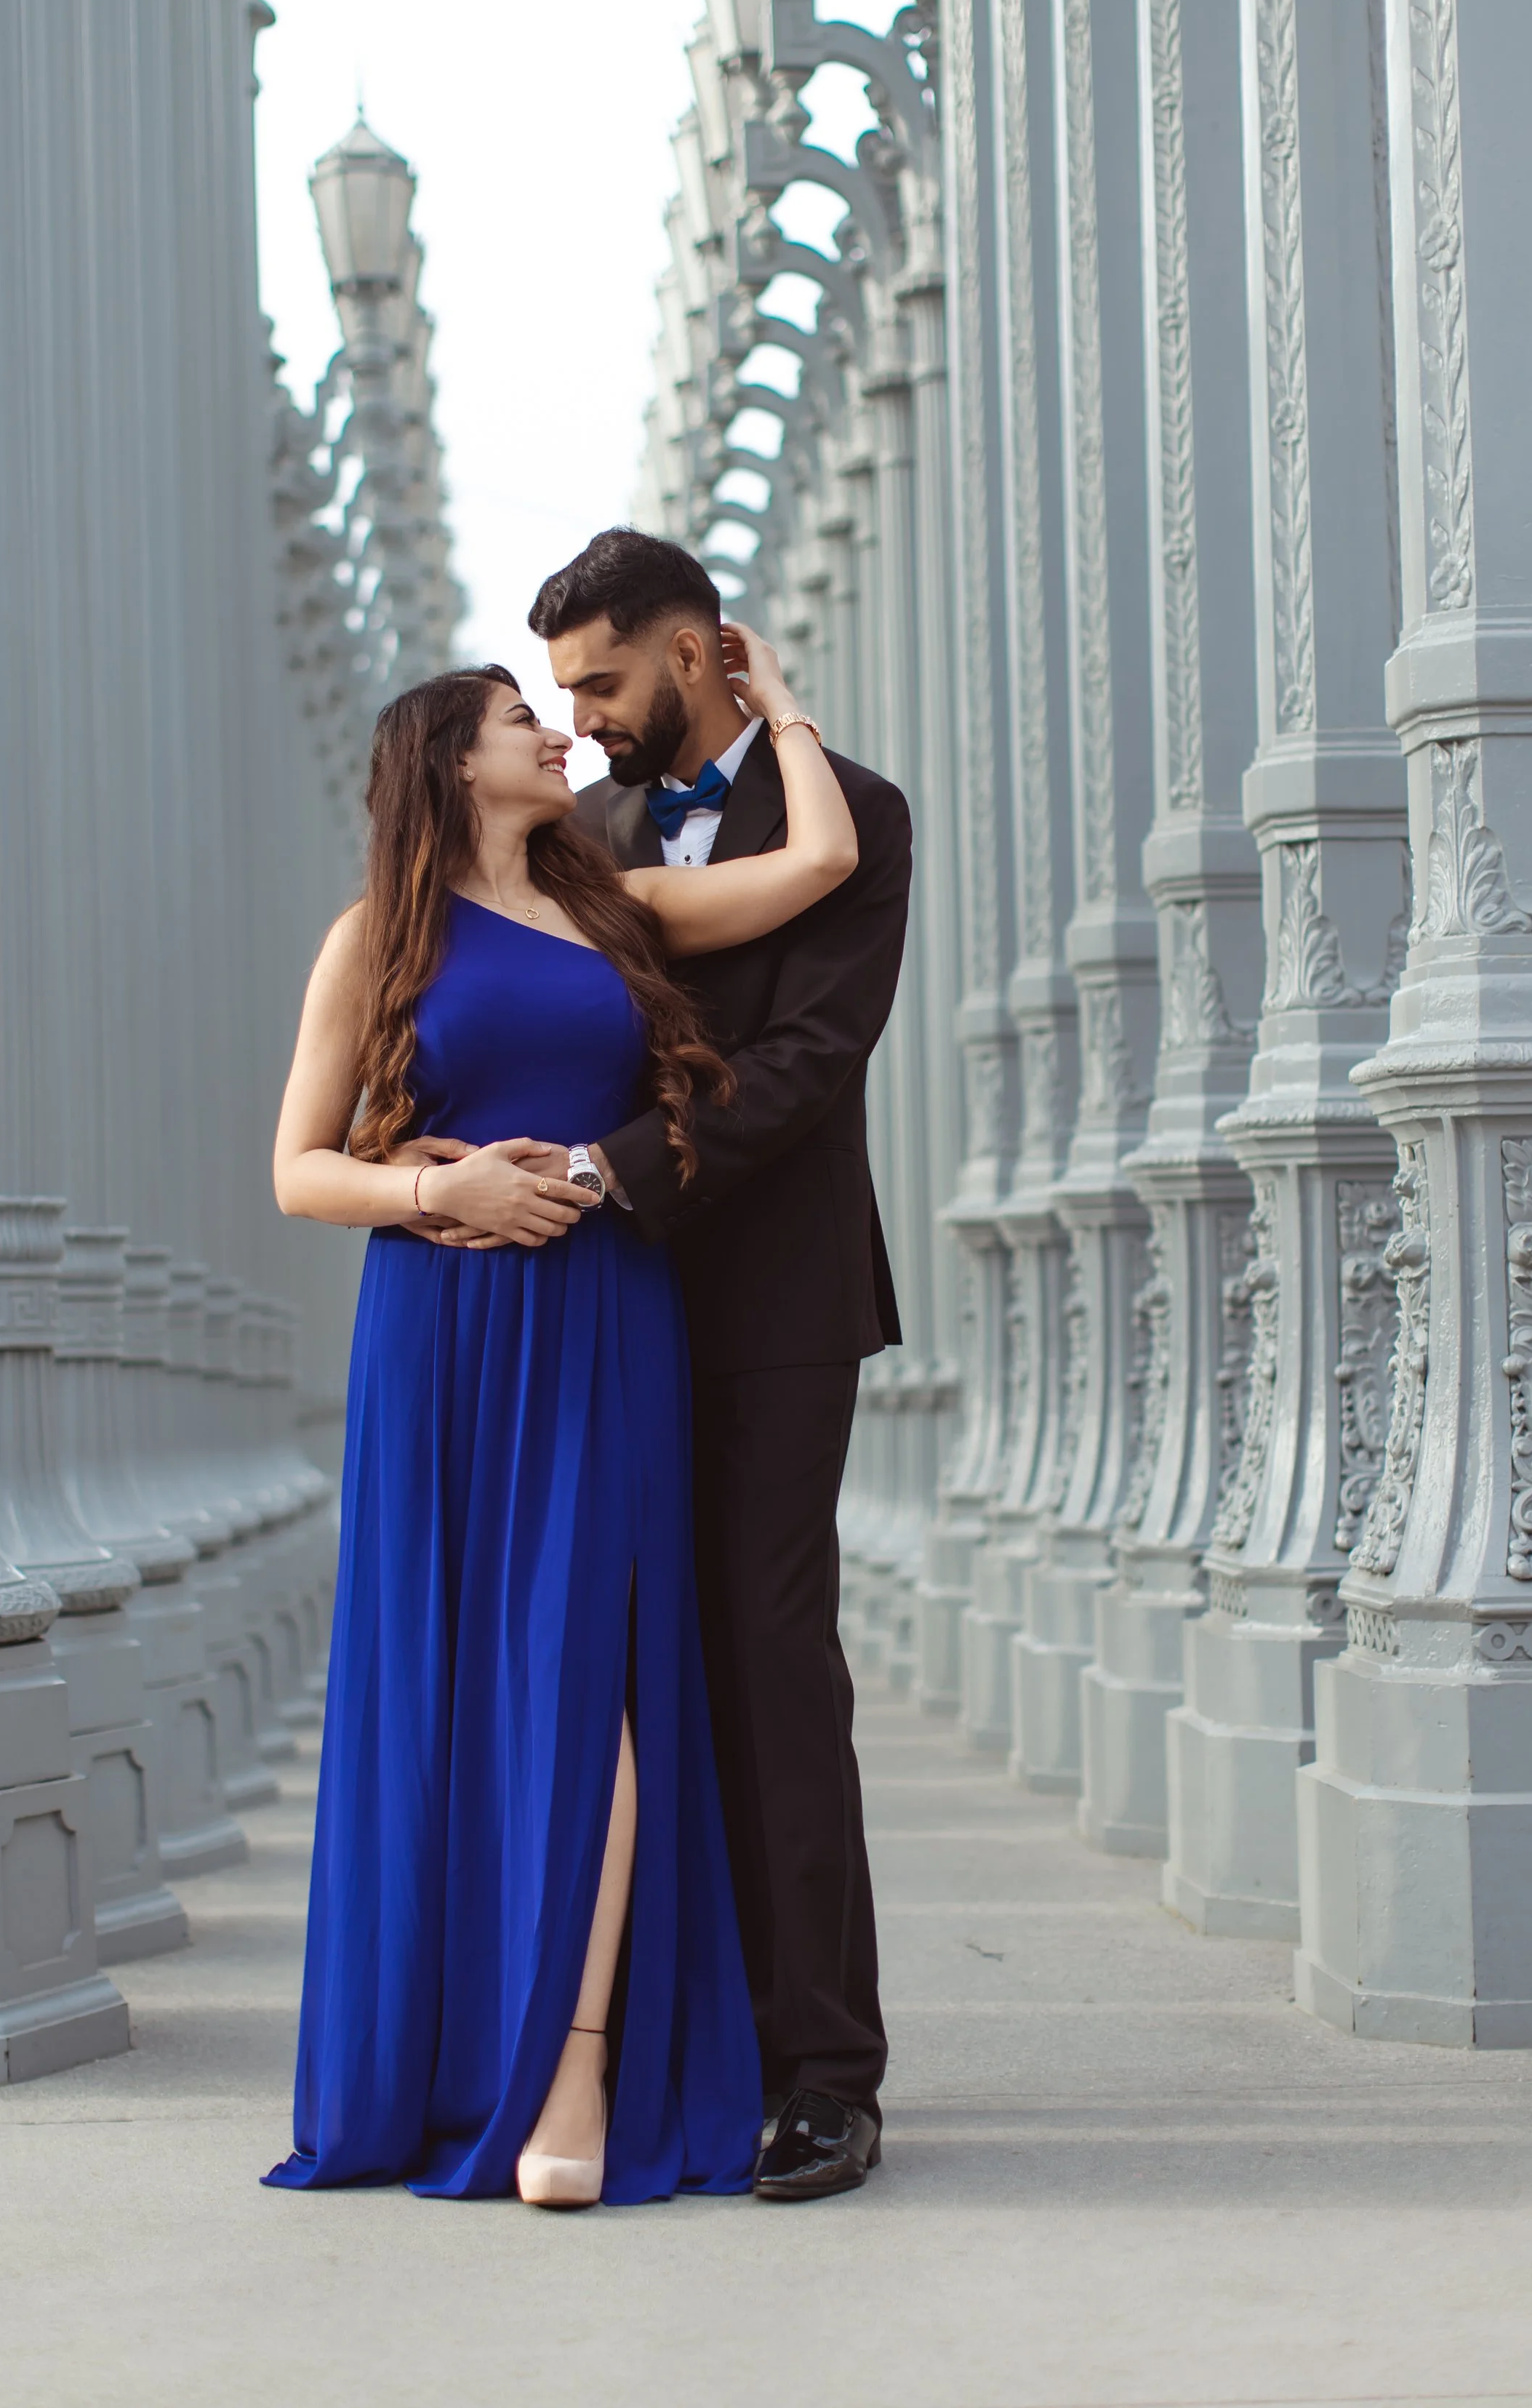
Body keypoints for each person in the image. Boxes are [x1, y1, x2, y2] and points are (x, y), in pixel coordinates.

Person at [262, 619, 857, 2208]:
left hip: (601, 1320)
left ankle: (576, 2061)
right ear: (445, 763)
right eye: (520, 716)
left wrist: (775, 703)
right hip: (443, 1324)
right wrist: (432, 1185)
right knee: (461, 1679)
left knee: (589, 1675)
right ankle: (463, 2055)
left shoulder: (618, 912)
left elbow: (814, 866)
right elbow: (297, 1170)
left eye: (564, 704)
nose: (558, 733)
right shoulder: (370, 943)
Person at [529, 528, 911, 2204]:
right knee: (622, 1670)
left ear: (692, 654)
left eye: (602, 680)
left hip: (769, 1305)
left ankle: (823, 2073)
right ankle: (672, 2051)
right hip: (600, 1307)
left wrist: (611, 1171)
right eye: (559, 694)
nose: (586, 716)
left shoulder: (860, 819)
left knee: (766, 1665)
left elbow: (811, 1060)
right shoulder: (591, 836)